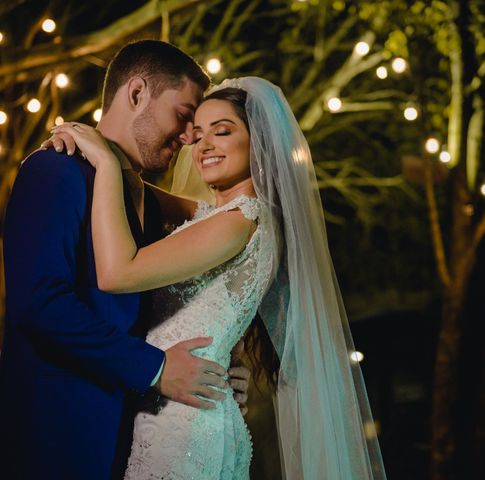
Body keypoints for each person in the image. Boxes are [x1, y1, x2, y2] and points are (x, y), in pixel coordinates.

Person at [50, 76, 387, 479]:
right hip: (188, 408)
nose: (203, 145)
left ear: (258, 144)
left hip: (183, 427)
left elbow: (118, 273)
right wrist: (97, 148)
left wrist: (102, 161)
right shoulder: (219, 218)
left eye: (222, 132)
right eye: (196, 136)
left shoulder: (238, 222)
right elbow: (139, 189)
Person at [0, 40, 250, 480]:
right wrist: (154, 369)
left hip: (134, 441)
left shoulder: (150, 203)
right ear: (137, 94)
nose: (191, 135)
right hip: (58, 435)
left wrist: (219, 367)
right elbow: (39, 305)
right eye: (185, 115)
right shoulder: (53, 169)